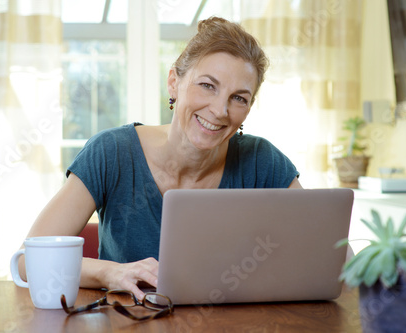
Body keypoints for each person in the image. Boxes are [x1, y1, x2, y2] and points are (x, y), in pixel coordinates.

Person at [18, 16, 302, 301]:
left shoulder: (263, 161)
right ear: (173, 83)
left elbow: (328, 256)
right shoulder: (111, 152)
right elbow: (28, 262)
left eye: (239, 98)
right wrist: (110, 272)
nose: (219, 110)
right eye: (207, 85)